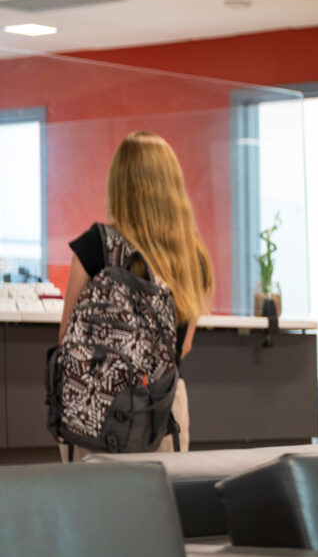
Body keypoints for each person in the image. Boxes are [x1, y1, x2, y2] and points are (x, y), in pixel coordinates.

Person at [57, 131, 213, 457]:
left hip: (95, 417)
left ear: (120, 184)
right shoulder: (192, 256)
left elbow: (66, 338)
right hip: (161, 412)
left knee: (92, 509)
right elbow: (182, 346)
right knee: (159, 507)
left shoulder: (95, 244)